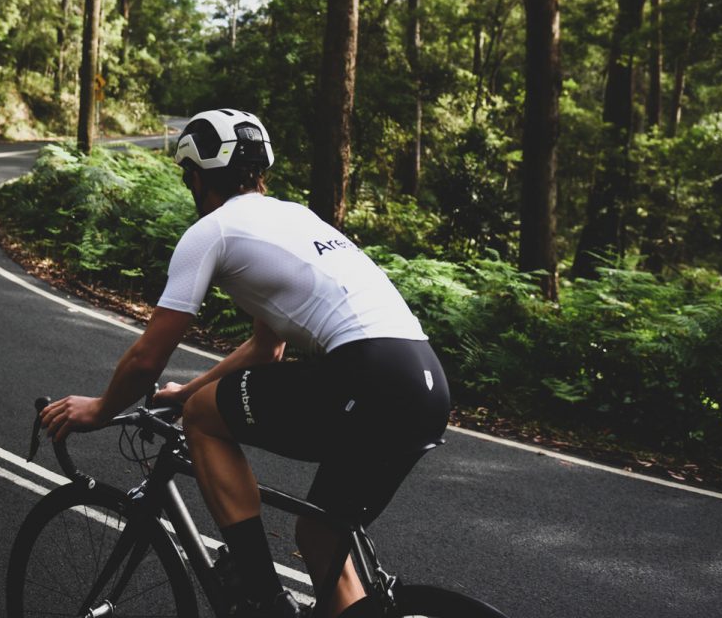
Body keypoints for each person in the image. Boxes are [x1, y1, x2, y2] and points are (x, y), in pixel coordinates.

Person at [41, 109, 451, 618]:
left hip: (368, 374)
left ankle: (262, 596)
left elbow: (148, 358)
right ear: (260, 170)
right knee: (321, 535)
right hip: (426, 381)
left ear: (195, 175)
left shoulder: (212, 231)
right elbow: (266, 350)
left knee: (203, 422)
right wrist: (188, 392)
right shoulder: (297, 218)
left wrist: (101, 409)